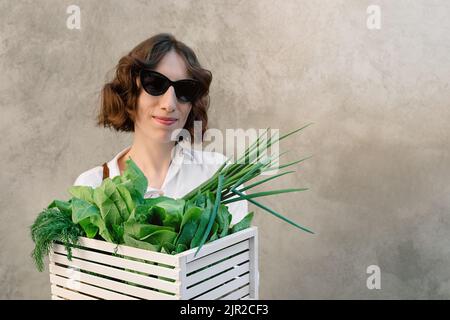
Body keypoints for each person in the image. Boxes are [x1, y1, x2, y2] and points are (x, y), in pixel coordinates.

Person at [73, 33, 248, 225]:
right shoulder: (92, 185)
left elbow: (237, 254)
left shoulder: (220, 175)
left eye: (184, 90)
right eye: (155, 84)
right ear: (130, 92)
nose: (169, 104)